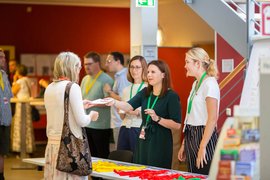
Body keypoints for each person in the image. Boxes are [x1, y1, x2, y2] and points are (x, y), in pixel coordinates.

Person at [105, 60, 181, 169]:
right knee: (140, 169)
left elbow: (177, 125)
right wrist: (114, 102)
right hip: (143, 138)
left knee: (156, 172)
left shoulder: (171, 96)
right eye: (148, 72)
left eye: (153, 72)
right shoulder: (145, 92)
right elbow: (128, 106)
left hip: (160, 140)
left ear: (163, 74)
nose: (149, 75)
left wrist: (158, 118)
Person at [44, 52, 99, 180]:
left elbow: (60, 110)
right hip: (69, 147)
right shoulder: (72, 87)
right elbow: (82, 121)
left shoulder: (49, 87)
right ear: (72, 67)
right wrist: (91, 115)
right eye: (78, 67)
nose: (79, 70)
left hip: (52, 145)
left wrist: (80, 105)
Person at [178, 47, 219, 175]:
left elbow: (212, 119)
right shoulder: (196, 84)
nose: (185, 66)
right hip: (191, 133)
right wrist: (185, 142)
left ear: (198, 63)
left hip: (204, 135)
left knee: (204, 174)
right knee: (193, 174)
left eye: (187, 62)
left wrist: (202, 146)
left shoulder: (210, 84)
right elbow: (191, 115)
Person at [80, 51, 113, 159]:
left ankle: (102, 177)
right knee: (90, 156)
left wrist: (92, 103)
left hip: (101, 126)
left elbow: (109, 101)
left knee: (102, 155)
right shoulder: (85, 79)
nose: (86, 67)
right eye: (85, 64)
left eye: (89, 64)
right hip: (87, 122)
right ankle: (94, 177)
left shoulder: (106, 79)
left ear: (97, 63)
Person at [117, 55, 147, 153]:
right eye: (132, 67)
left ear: (144, 69)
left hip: (138, 128)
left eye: (137, 67)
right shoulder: (126, 90)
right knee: (122, 159)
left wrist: (134, 112)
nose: (134, 70)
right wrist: (122, 111)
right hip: (124, 127)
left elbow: (145, 113)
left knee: (136, 160)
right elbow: (122, 116)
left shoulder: (148, 88)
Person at [104, 52, 131, 149]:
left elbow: (124, 99)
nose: (106, 64)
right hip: (118, 120)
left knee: (120, 152)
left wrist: (109, 92)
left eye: (109, 61)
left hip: (120, 121)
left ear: (118, 61)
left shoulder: (123, 77)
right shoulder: (119, 76)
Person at [11, 64, 35, 154]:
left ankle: (20, 149)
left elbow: (12, 92)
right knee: (27, 126)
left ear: (18, 72)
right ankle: (29, 147)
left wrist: (14, 80)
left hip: (21, 105)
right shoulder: (29, 80)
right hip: (28, 105)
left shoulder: (20, 81)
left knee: (20, 125)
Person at [0, 49, 13, 180]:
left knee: (2, 152)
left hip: (4, 119)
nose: (3, 59)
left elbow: (8, 96)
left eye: (4, 57)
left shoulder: (4, 75)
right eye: (0, 57)